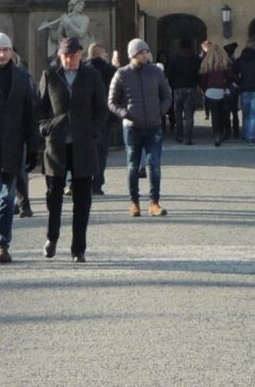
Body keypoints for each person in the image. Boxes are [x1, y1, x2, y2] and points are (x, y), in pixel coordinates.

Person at [38, 35, 108, 263]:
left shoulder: (92, 75)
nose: (69, 60)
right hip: (56, 146)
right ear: (60, 56)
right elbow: (39, 109)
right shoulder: (50, 76)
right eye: (65, 56)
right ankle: (52, 236)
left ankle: (79, 248)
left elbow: (101, 108)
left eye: (73, 55)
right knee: (53, 197)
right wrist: (46, 128)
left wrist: (92, 130)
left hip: (83, 145)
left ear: (80, 54)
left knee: (82, 200)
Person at [0, 32, 39, 265]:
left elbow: (29, 114)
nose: (2, 54)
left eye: (5, 50)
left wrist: (33, 147)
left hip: (14, 146)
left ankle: (3, 244)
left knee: (9, 197)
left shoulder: (22, 77)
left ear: (11, 51)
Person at [109, 38, 172, 217]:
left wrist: (160, 111)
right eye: (142, 52)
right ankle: (134, 203)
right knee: (132, 166)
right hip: (132, 126)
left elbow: (167, 95)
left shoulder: (156, 72)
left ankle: (154, 203)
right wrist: (125, 114)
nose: (146, 55)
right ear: (133, 55)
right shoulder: (121, 74)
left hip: (154, 125)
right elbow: (111, 102)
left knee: (154, 165)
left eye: (146, 51)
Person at [86, 44, 118, 188]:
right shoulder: (111, 70)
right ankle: (98, 181)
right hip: (105, 114)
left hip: (85, 115)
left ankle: (83, 180)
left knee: (84, 150)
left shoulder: (82, 70)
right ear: (102, 54)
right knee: (101, 151)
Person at [165, 37, 201, 147]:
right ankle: (188, 138)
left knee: (178, 113)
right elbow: (199, 73)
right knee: (189, 114)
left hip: (177, 89)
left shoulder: (175, 58)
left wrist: (170, 86)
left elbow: (169, 74)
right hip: (191, 88)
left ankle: (179, 135)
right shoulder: (195, 58)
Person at [199, 41, 234, 146]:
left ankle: (217, 136)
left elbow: (202, 81)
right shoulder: (225, 64)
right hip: (222, 91)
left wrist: (206, 90)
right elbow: (231, 77)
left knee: (214, 115)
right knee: (223, 113)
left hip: (210, 92)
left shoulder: (206, 64)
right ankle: (226, 131)